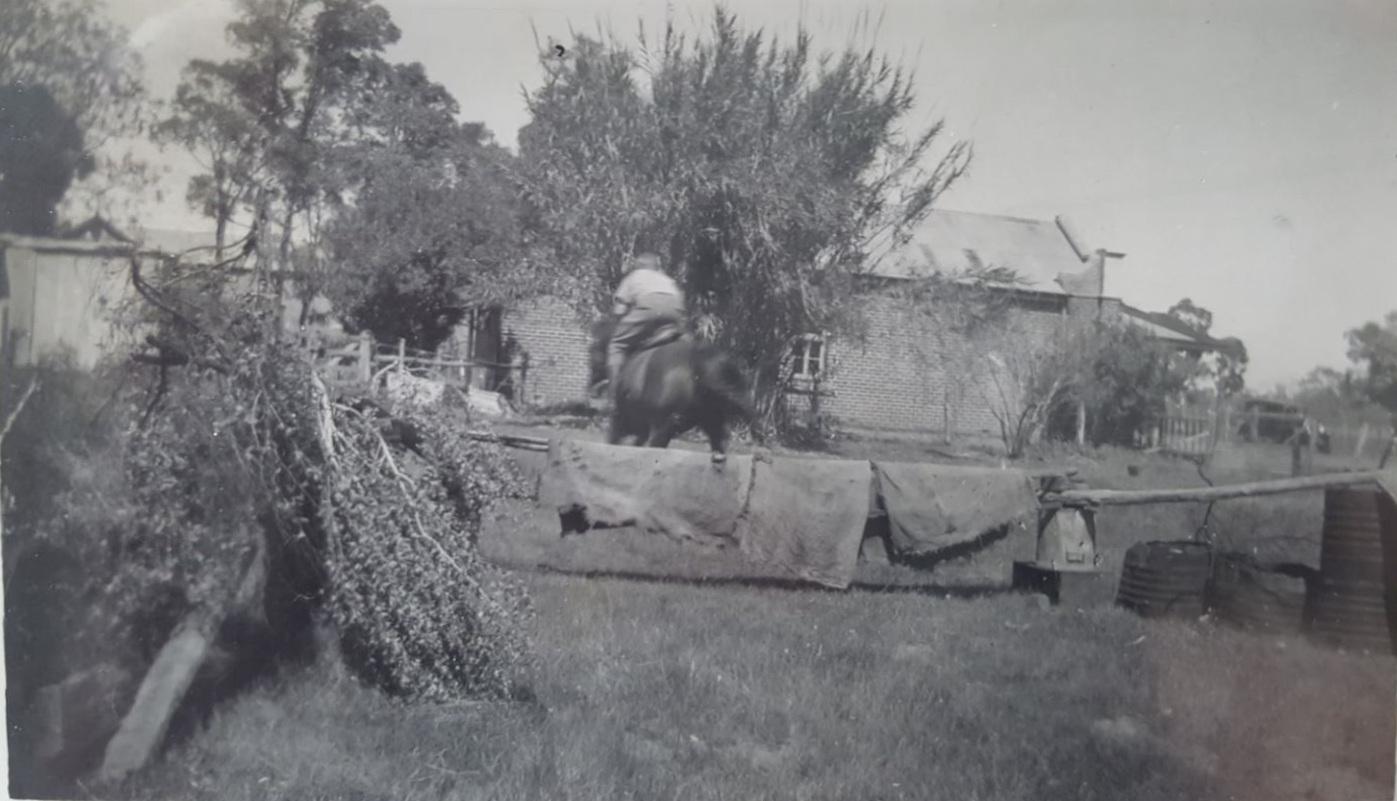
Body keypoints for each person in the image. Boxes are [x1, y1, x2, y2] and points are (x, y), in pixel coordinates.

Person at [605, 252, 686, 399]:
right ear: (656, 267)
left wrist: (620, 323)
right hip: (675, 310)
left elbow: (619, 310)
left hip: (649, 306)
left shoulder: (634, 276)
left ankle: (614, 395)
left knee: (616, 345)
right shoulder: (667, 279)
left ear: (638, 266)